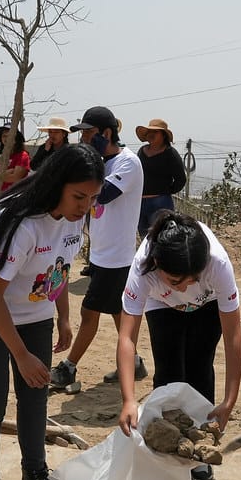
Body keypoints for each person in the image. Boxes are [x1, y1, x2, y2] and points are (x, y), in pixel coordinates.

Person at [0, 143, 105, 480]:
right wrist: (20, 354)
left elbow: (60, 268)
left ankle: (34, 475)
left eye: (92, 197)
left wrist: (63, 316)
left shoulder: (73, 218)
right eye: (78, 196)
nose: (85, 205)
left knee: (35, 397)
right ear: (57, 184)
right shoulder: (18, 221)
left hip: (34, 312)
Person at [117, 210, 241, 480]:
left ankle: (199, 447)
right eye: (176, 280)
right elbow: (127, 337)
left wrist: (229, 400)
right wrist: (128, 399)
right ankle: (166, 443)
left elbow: (234, 334)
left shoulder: (217, 264)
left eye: (193, 279)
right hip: (161, 303)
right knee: (168, 371)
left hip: (207, 305)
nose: (185, 287)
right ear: (156, 264)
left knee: (200, 364)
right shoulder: (143, 267)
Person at [50, 106, 147, 389]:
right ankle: (134, 363)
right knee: (119, 312)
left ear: (106, 134)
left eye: (90, 135)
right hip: (102, 254)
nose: (85, 141)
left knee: (89, 311)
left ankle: (68, 367)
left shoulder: (128, 163)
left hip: (117, 257)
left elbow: (101, 195)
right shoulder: (103, 163)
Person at [135, 119, 186, 238]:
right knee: (144, 239)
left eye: (155, 132)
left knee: (161, 238)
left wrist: (165, 191)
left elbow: (181, 179)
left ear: (163, 135)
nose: (150, 135)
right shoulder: (141, 152)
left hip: (161, 203)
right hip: (140, 202)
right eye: (148, 132)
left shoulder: (171, 154)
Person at [0, 126, 30, 197]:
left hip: (15, 196)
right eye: (4, 136)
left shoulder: (23, 155)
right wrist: (7, 172)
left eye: (10, 136)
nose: (7, 138)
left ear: (16, 138)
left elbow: (15, 177)